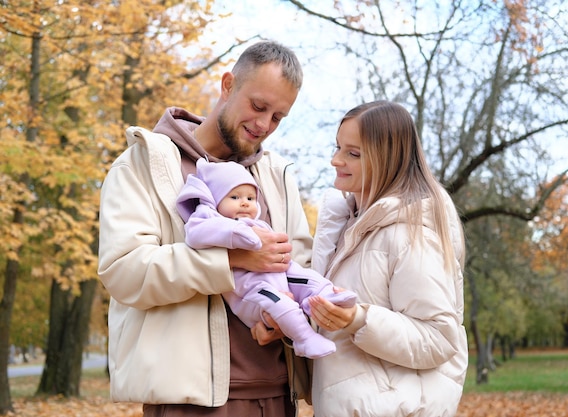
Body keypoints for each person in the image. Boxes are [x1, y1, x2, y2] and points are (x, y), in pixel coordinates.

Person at [98, 41, 313, 417]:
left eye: (278, 117)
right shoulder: (143, 163)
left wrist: (281, 319)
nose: (264, 125)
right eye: (258, 106)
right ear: (228, 85)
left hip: (278, 398)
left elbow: (300, 267)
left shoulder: (277, 176)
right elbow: (124, 272)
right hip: (189, 403)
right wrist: (230, 259)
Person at [307, 101, 468, 416]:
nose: (335, 160)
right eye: (338, 147)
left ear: (387, 159)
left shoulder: (409, 235)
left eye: (353, 153)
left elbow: (439, 337)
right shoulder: (349, 229)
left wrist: (360, 320)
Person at [176, 158, 356, 359]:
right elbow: (195, 234)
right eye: (234, 197)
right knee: (280, 302)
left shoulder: (257, 224)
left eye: (251, 198)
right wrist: (236, 232)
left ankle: (326, 296)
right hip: (252, 292)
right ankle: (305, 339)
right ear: (216, 200)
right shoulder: (212, 220)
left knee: (308, 278)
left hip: (280, 275)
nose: (244, 202)